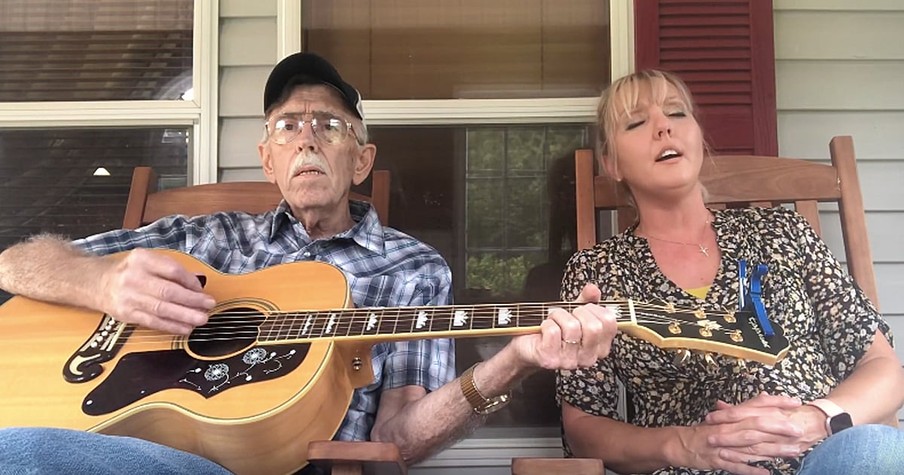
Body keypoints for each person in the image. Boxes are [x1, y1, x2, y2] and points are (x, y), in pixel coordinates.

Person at [0, 52, 618, 474]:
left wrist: (514, 360)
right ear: (268, 159)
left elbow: (395, 441)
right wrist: (101, 279)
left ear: (362, 159)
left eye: (330, 124)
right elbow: (15, 263)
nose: (308, 138)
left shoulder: (410, 269)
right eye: (288, 125)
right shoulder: (206, 237)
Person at [556, 69, 904, 475]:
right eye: (636, 122)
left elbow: (881, 365)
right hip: (696, 469)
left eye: (677, 114)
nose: (663, 127)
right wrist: (683, 444)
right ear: (612, 163)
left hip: (826, 457)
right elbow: (582, 425)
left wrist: (812, 420)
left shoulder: (781, 232)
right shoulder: (599, 271)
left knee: (877, 451)